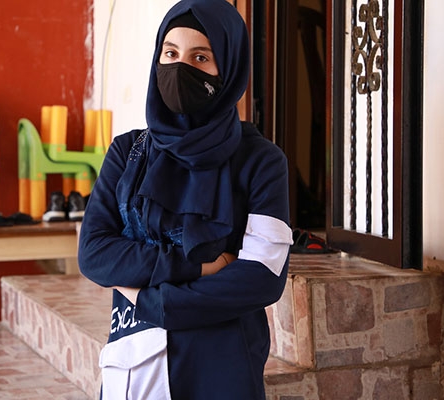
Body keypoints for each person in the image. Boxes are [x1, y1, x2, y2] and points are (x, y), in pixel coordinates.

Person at [78, 0, 292, 398]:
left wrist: (157, 303)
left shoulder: (261, 161)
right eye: (171, 53)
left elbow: (261, 278)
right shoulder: (128, 153)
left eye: (201, 57)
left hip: (223, 366)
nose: (180, 68)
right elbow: (94, 252)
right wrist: (198, 268)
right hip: (135, 362)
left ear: (228, 70)